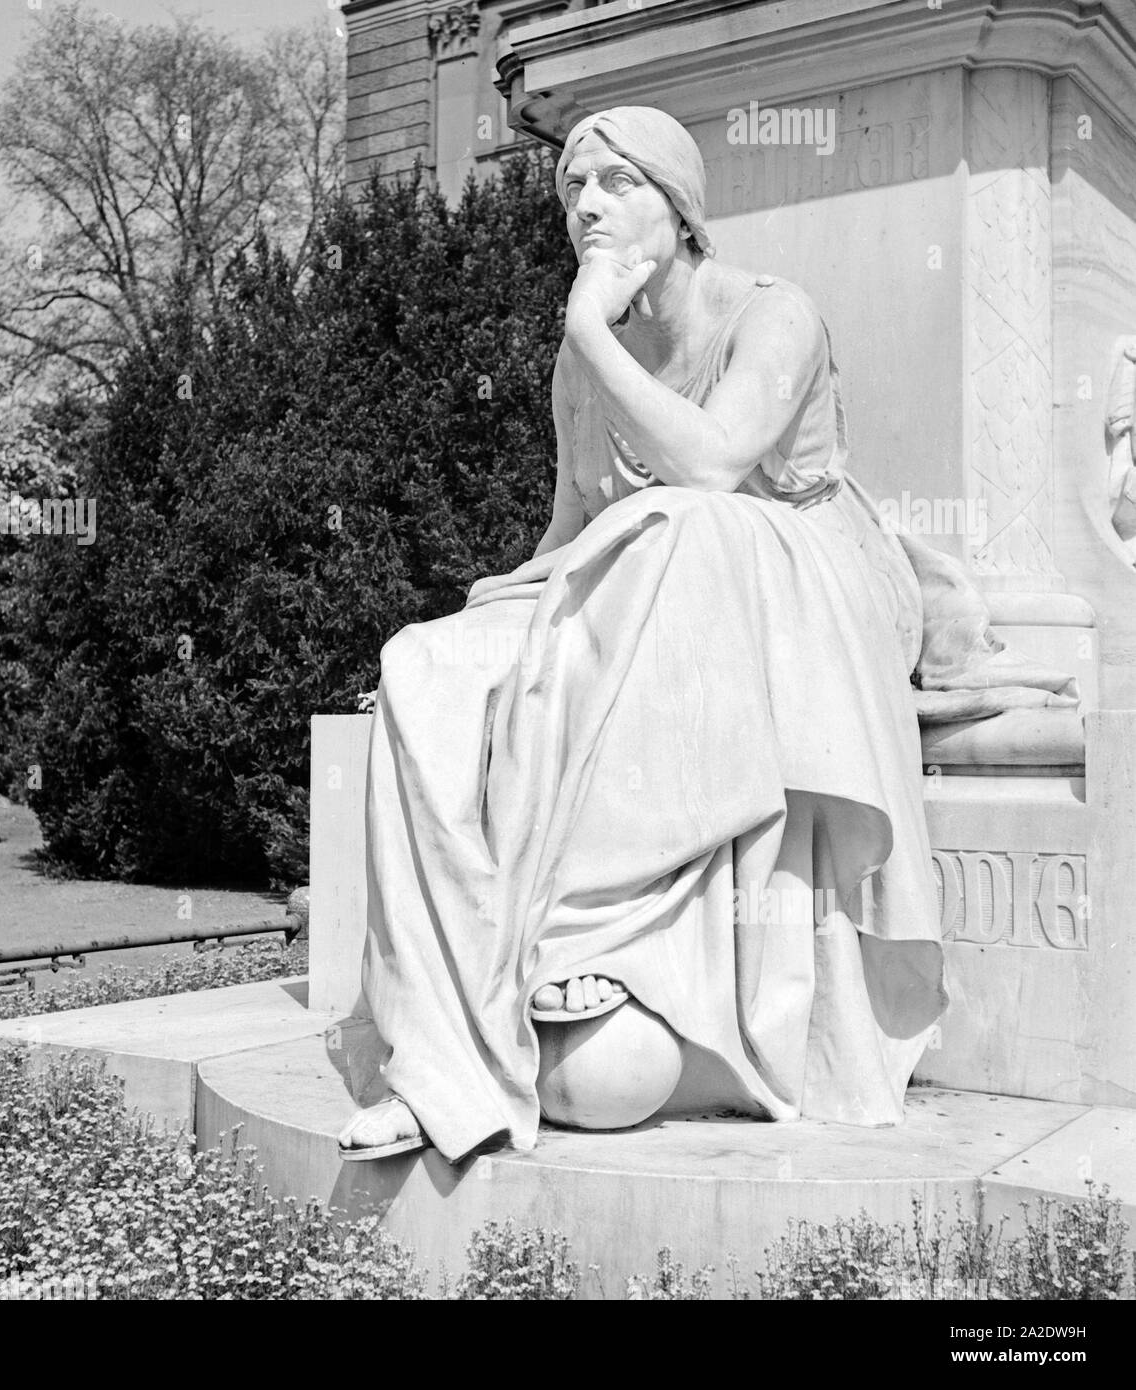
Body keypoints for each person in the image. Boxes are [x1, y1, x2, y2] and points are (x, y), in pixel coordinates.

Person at [338, 106, 1070, 1164]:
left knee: (681, 521)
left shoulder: (774, 314)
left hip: (809, 576)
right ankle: (442, 1055)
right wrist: (480, 625)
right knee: (424, 665)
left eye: (616, 182)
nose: (586, 204)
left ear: (679, 211)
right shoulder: (580, 368)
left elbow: (720, 465)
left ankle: (593, 929)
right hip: (651, 571)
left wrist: (588, 331)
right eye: (572, 188)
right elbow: (567, 535)